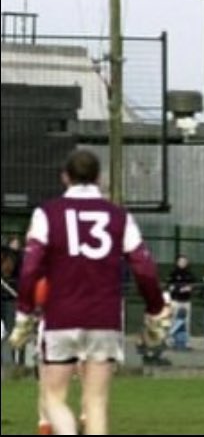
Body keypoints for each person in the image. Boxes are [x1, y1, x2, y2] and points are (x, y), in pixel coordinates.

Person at [7, 149, 169, 435]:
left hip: (61, 317)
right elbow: (144, 267)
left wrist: (24, 313)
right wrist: (155, 309)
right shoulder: (119, 217)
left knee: (53, 398)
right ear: (99, 178)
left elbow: (31, 269)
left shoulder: (47, 213)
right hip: (105, 319)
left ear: (65, 178)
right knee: (95, 404)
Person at [166, 255, 196, 350]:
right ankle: (171, 340)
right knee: (173, 321)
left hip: (186, 301)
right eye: (181, 261)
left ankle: (186, 342)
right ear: (177, 262)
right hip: (175, 301)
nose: (182, 263)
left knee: (186, 322)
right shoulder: (173, 273)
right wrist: (179, 289)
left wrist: (189, 288)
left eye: (184, 261)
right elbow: (170, 287)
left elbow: (193, 286)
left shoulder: (190, 274)